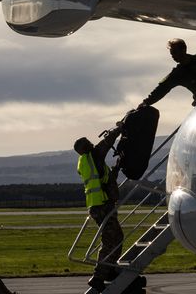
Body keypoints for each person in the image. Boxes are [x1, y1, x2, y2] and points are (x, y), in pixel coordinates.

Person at [74, 124, 124, 292]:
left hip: (98, 205)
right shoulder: (93, 155)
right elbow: (106, 142)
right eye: (87, 143)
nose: (91, 143)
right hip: (102, 205)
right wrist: (120, 128)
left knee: (114, 238)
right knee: (112, 240)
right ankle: (98, 276)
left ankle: (108, 271)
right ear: (84, 149)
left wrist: (115, 170)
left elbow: (103, 180)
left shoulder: (86, 163)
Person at [140, 38, 196, 107]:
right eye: (171, 54)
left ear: (183, 50)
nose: (173, 56)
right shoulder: (177, 74)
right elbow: (161, 90)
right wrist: (145, 103)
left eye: (175, 52)